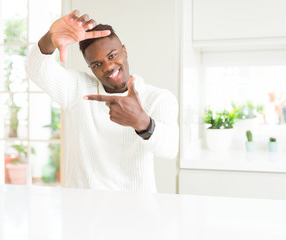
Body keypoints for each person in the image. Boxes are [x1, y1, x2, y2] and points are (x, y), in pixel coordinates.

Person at [25, 10, 179, 192]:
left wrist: (142, 122)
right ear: (90, 68)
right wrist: (49, 38)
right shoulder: (77, 89)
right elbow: (36, 70)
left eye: (112, 55)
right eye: (97, 64)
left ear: (125, 51)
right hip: (83, 208)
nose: (109, 67)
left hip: (135, 210)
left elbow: (169, 150)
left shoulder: (158, 98)